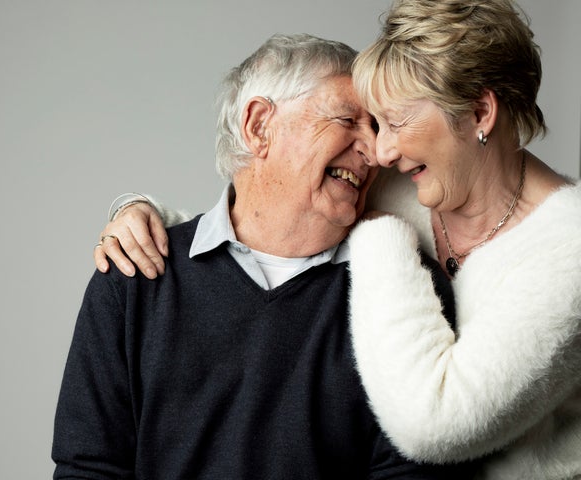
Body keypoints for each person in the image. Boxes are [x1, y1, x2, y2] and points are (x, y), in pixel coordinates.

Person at [94, 1, 581, 479]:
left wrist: (377, 234)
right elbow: (261, 222)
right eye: (362, 122)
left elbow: (433, 425)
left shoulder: (567, 249)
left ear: (479, 112)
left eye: (395, 122)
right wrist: (142, 219)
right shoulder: (413, 185)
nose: (380, 152)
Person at [53, 33, 474, 479]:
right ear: (258, 126)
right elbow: (88, 468)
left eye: (375, 128)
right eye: (348, 120)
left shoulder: (404, 287)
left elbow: (415, 472)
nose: (374, 152)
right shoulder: (135, 276)